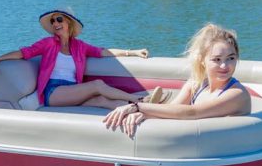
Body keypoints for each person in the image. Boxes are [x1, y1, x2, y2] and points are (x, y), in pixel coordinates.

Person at [0, 9, 158, 109]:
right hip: (53, 92)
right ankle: (139, 99)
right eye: (52, 21)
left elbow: (104, 52)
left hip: (72, 90)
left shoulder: (79, 46)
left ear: (68, 23)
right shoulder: (48, 43)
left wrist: (133, 52)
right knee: (97, 85)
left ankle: (142, 108)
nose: (55, 23)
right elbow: (25, 52)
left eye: (58, 19)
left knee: (101, 100)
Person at [103, 23, 251, 137]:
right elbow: (173, 110)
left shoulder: (237, 94)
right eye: (217, 59)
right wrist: (143, 115)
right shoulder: (196, 84)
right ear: (202, 60)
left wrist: (137, 107)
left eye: (231, 58)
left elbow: (192, 113)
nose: (224, 65)